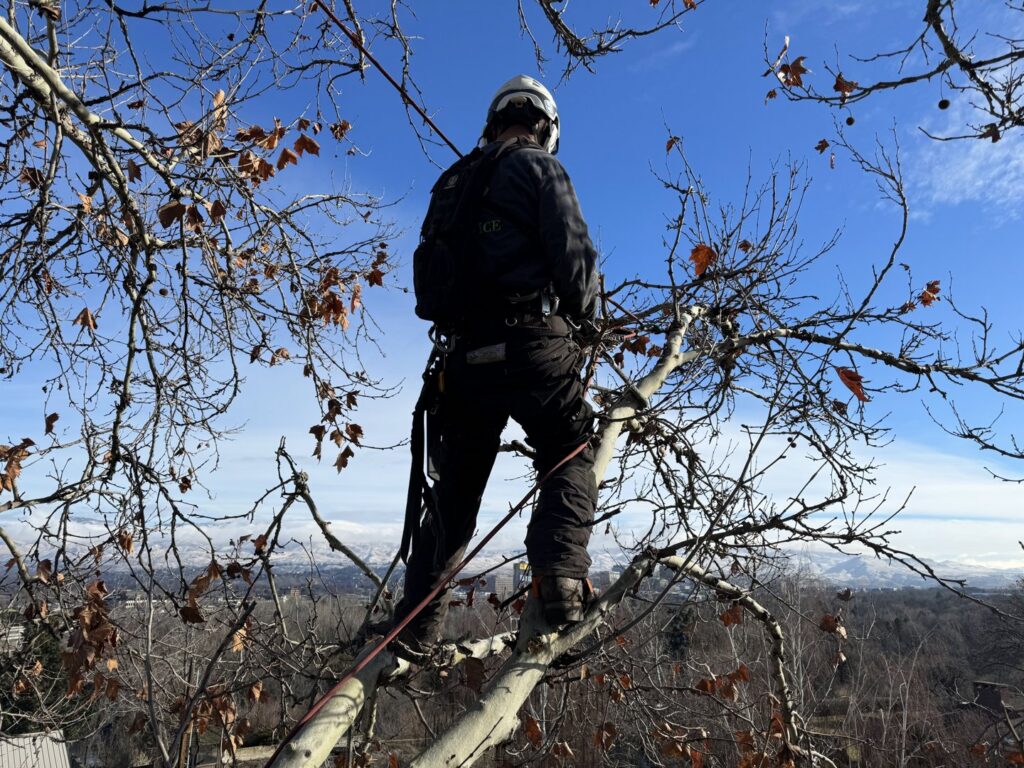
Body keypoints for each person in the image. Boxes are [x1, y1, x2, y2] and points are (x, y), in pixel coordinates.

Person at [394, 75, 600, 658]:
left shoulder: (451, 183)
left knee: (454, 493)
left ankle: (416, 622)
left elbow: (428, 289)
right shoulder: (542, 170)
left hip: (462, 363)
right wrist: (588, 320)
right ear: (545, 127)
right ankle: (560, 574)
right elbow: (576, 263)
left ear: (493, 121)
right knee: (569, 448)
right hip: (535, 344)